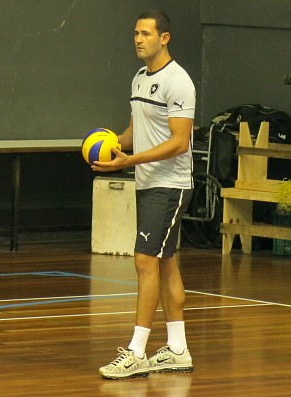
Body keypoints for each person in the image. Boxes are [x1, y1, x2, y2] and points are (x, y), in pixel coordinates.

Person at [92, 9, 196, 380]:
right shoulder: (139, 78)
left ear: (164, 38)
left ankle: (136, 352)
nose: (138, 39)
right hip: (148, 183)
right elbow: (136, 131)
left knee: (144, 260)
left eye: (146, 34)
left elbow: (179, 142)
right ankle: (178, 349)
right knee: (165, 263)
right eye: (135, 33)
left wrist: (131, 160)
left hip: (170, 186)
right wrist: (108, 145)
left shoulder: (178, 81)